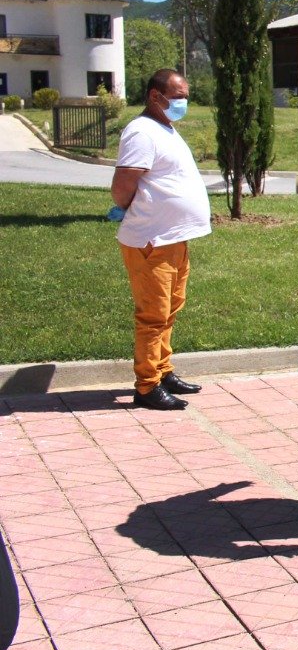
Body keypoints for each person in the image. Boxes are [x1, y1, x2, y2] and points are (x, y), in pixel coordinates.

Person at [110, 69, 211, 411]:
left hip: (174, 239)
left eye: (185, 95)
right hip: (152, 239)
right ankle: (147, 385)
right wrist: (132, 209)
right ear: (155, 96)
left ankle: (163, 370)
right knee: (153, 315)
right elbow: (123, 186)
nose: (183, 102)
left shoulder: (164, 128)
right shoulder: (141, 132)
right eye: (178, 96)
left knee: (170, 311)